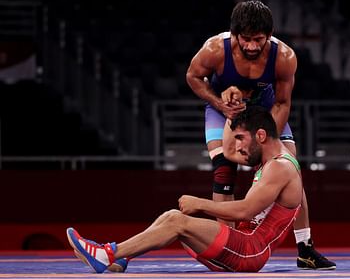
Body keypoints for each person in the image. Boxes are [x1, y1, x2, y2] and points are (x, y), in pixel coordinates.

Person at [185, 0, 335, 270]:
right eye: (246, 40)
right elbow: (193, 77)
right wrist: (220, 104)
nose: (252, 46)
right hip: (224, 110)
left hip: (265, 112)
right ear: (234, 35)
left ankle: (305, 248)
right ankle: (227, 243)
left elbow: (282, 103)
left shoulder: (284, 57)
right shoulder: (215, 49)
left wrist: (267, 146)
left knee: (289, 168)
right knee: (224, 169)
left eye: (259, 40)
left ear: (270, 35)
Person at [66, 107, 305, 273]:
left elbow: (244, 210)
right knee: (171, 217)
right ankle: (120, 258)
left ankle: (105, 255)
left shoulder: (280, 167)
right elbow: (228, 152)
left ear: (261, 135)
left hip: (248, 251)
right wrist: (229, 111)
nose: (238, 145)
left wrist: (199, 203)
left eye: (241, 138)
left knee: (176, 222)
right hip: (243, 246)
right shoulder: (270, 157)